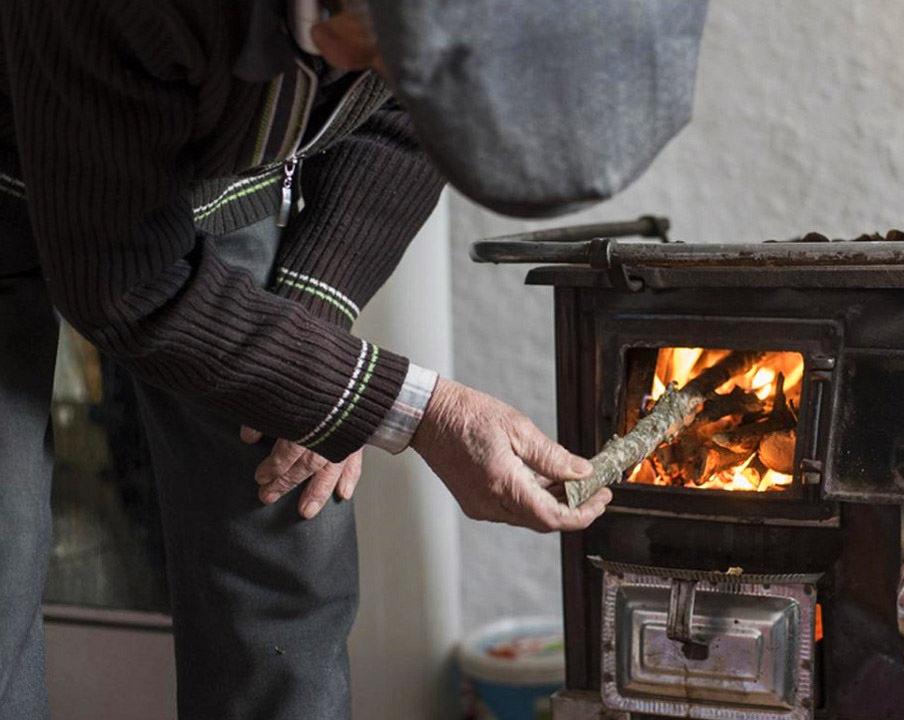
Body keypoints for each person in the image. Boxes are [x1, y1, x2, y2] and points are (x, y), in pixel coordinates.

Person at [0, 1, 615, 717]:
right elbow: (127, 285)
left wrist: (312, 360)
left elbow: (410, 123)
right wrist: (409, 409)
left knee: (282, 526)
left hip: (207, 169)